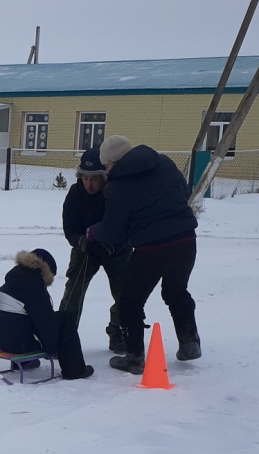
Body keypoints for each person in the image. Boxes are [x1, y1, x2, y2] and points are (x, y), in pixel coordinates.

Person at [85, 134, 200, 374]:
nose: (106, 170)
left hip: (152, 248)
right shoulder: (164, 162)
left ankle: (134, 358)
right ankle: (189, 342)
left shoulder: (117, 187)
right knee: (176, 290)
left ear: (115, 161)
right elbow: (183, 190)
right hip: (186, 239)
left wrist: (93, 232)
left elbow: (113, 232)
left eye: (106, 165)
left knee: (130, 302)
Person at [59, 147, 132, 354]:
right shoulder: (74, 193)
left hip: (118, 250)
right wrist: (83, 243)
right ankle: (65, 334)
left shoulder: (118, 192)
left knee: (126, 292)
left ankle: (119, 331)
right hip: (85, 249)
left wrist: (110, 246)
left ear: (105, 177)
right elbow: (69, 228)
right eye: (85, 178)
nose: (89, 184)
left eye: (94, 179)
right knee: (73, 289)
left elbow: (127, 225)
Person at [0, 249, 94, 380]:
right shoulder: (33, 287)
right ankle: (75, 370)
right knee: (65, 318)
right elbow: (46, 323)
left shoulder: (14, 279)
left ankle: (25, 362)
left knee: (24, 318)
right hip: (18, 344)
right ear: (46, 271)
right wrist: (50, 349)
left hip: (1, 339)